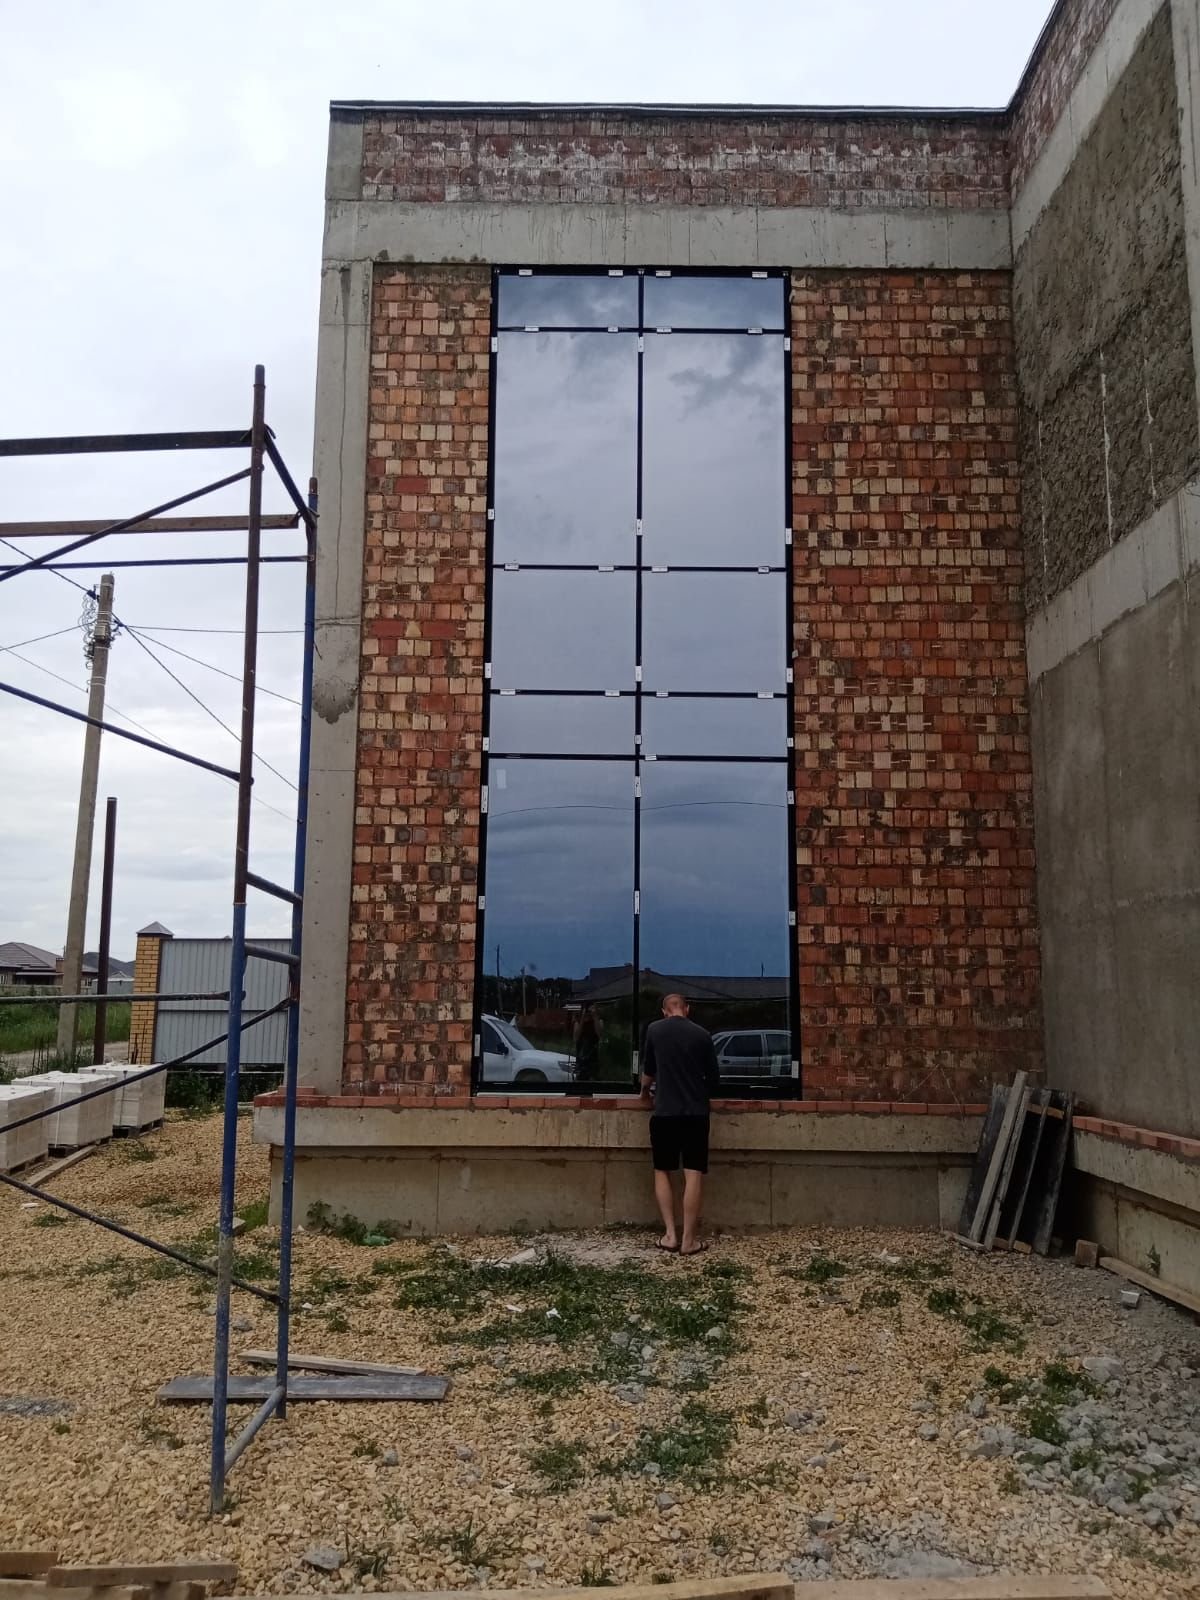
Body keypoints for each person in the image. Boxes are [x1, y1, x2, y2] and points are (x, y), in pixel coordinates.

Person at [640, 993, 720, 1256]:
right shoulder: (702, 1035)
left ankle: (670, 1236)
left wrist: (644, 1094)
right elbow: (714, 1079)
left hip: (664, 1112)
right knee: (693, 1173)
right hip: (696, 1113)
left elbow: (648, 1073)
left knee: (662, 1170)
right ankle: (689, 1241)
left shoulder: (654, 1030)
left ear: (664, 1011)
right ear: (687, 1009)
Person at [572, 1003, 602, 1079]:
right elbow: (576, 1038)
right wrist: (582, 1019)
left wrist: (595, 1017)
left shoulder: (598, 1021)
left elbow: (600, 1035)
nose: (588, 1013)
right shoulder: (578, 1022)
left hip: (593, 1057)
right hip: (581, 1057)